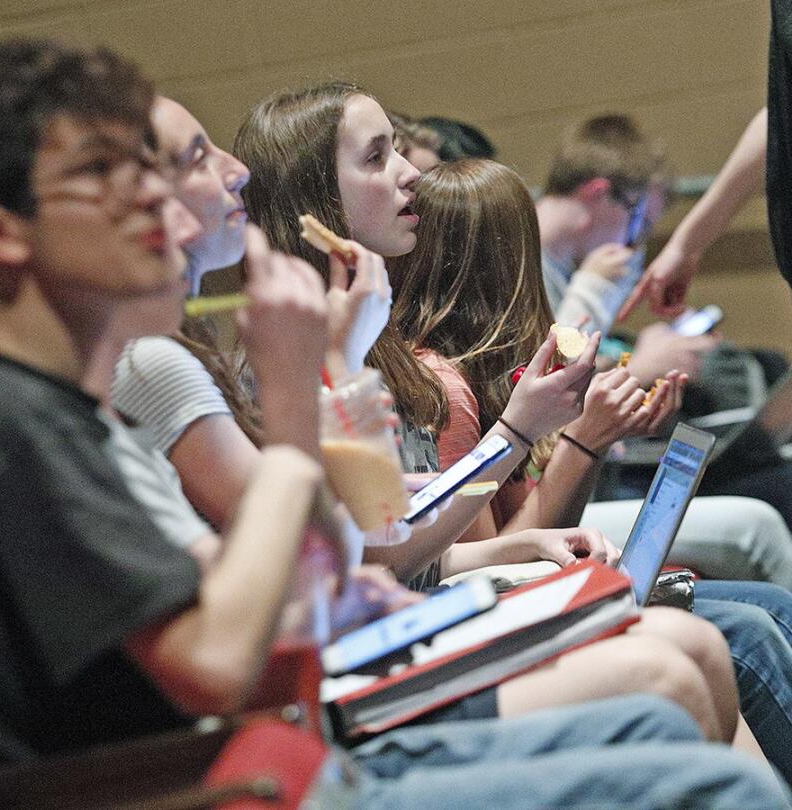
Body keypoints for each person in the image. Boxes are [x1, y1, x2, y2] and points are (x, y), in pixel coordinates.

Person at [0, 39, 790, 809]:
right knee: (704, 759)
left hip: (285, 741)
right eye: (103, 173)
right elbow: (222, 662)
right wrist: (301, 397)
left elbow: (287, 582)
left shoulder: (51, 403)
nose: (154, 197)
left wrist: (364, 588)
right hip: (237, 781)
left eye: (151, 167)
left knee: (669, 704)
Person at [115, 90, 748, 747]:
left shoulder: (341, 342)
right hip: (330, 680)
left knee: (701, 637)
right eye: (376, 156)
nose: (411, 175)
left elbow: (378, 539)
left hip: (373, 625)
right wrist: (522, 437)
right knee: (680, 655)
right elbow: (364, 551)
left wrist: (509, 540)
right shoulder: (245, 355)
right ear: (319, 202)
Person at [385, 156, 792, 805]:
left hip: (522, 587)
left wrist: (598, 437)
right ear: (508, 259)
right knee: (748, 627)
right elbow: (512, 553)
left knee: (769, 601)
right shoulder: (445, 387)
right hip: (479, 614)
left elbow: (538, 535)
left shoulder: (478, 367)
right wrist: (584, 440)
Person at [539, 113, 792, 599]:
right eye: (640, 223)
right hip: (580, 483)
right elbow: (547, 374)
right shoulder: (531, 263)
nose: (637, 244)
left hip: (603, 464)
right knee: (769, 494)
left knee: (773, 472)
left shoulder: (566, 271)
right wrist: (638, 363)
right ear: (599, 193)